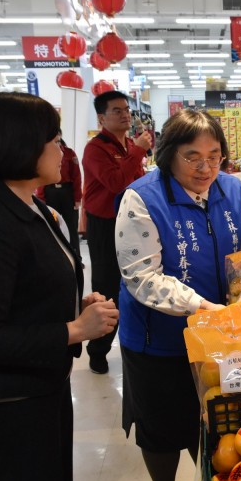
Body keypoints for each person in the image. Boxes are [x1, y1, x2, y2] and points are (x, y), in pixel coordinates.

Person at [0, 92, 119, 481]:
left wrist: (74, 302)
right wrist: (76, 329)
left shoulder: (31, 205)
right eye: (55, 140)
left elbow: (24, 287)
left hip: (41, 381)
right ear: (22, 145)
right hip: (11, 398)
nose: (63, 150)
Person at [115, 109, 241, 481]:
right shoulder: (142, 197)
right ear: (168, 155)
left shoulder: (233, 188)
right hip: (157, 338)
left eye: (214, 155)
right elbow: (142, 276)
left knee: (216, 423)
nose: (205, 166)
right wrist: (202, 307)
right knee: (161, 428)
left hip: (219, 338)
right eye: (192, 156)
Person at [82, 90, 153, 375]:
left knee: (138, 280)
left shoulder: (126, 146)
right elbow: (114, 182)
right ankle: (97, 350)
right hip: (105, 224)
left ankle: (132, 342)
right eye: (117, 111)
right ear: (101, 117)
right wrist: (138, 151)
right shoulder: (95, 148)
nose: (125, 115)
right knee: (108, 287)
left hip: (131, 222)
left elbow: (135, 182)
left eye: (127, 109)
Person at [35, 131, 82, 254]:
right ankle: (55, 254)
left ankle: (76, 255)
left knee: (71, 226)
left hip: (67, 192)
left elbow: (76, 176)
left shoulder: (69, 153)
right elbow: (42, 177)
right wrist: (41, 198)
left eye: (57, 140)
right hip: (50, 192)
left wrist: (77, 198)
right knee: (51, 225)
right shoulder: (44, 153)